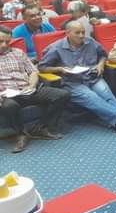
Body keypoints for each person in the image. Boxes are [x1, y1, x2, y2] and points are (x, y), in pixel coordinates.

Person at [38, 22, 116, 135]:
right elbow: (42, 67)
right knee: (91, 96)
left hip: (92, 76)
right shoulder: (55, 48)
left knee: (106, 93)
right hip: (71, 81)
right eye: (77, 33)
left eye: (83, 32)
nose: (81, 35)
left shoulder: (90, 42)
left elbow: (103, 55)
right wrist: (60, 69)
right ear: (68, 33)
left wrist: (100, 64)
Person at [0, 25, 69, 153]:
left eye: (7, 42)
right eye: (1, 41)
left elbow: (32, 72)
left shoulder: (18, 53)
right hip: (5, 95)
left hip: (25, 89)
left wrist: (31, 85)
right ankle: (21, 134)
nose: (4, 45)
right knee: (9, 106)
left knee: (62, 95)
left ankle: (43, 128)